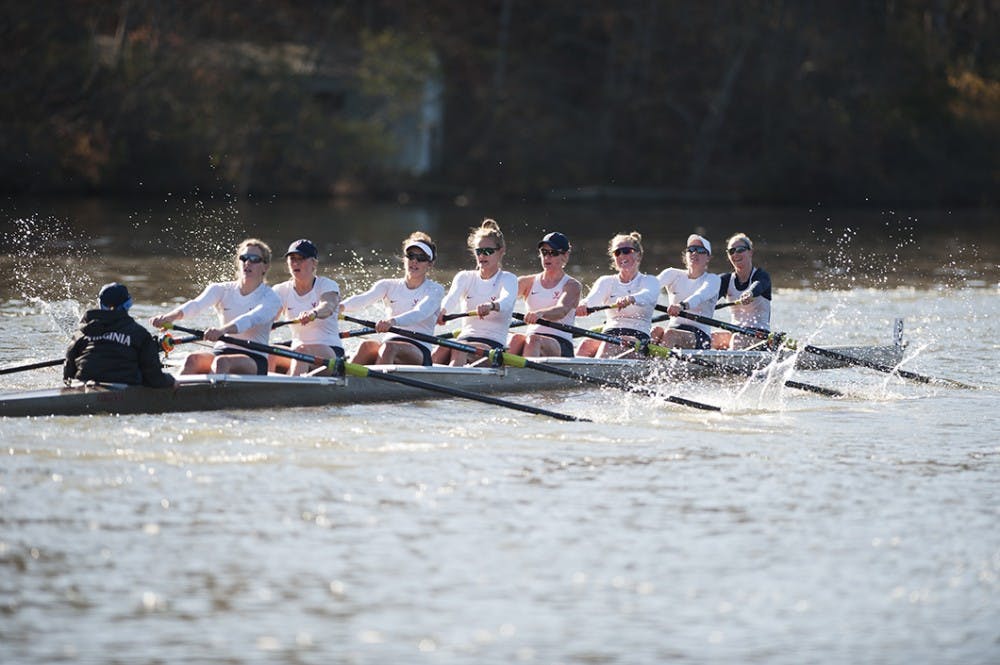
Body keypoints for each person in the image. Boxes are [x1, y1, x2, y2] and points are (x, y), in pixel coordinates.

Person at [149, 238, 282, 375]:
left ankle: (210, 395)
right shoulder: (221, 289)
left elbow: (250, 319)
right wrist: (169, 317)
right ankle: (171, 393)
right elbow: (196, 305)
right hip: (222, 350)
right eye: (244, 258)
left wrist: (222, 330)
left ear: (265, 266)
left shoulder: (271, 298)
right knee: (192, 360)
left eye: (254, 259)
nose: (247, 262)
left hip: (254, 357)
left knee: (221, 362)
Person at [340, 232, 445, 366]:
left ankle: (375, 385)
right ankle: (343, 383)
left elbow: (420, 312)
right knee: (366, 346)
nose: (414, 261)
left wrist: (392, 321)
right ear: (404, 258)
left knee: (389, 348)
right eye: (411, 256)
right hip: (389, 342)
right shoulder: (387, 285)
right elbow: (364, 299)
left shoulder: (435, 290)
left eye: (421, 258)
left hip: (419, 348)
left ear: (430, 264)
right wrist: (338, 307)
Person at [433, 219, 517, 366]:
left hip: (493, 346)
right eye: (479, 251)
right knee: (440, 348)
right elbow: (451, 298)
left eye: (488, 251)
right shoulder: (464, 277)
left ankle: (453, 381)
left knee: (460, 349)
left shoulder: (508, 279)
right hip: (464, 340)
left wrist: (491, 306)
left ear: (501, 251)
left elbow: (507, 300)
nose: (482, 256)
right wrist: (442, 311)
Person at [64, 282, 175, 387]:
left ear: (100, 304)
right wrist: (171, 380)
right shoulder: (139, 334)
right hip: (124, 389)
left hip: (84, 386)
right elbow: (154, 378)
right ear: (128, 305)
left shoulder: (82, 331)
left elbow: (68, 373)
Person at [575, 231, 660, 358]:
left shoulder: (650, 281)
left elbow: (648, 295)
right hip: (609, 334)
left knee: (609, 344)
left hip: (638, 336)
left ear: (638, 255)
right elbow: (591, 300)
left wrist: (631, 298)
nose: (621, 255)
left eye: (626, 251)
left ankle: (592, 371)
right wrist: (583, 305)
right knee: (585, 344)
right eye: (617, 252)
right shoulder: (606, 281)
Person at [271, 239, 343, 375]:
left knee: (301, 351)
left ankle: (289, 390)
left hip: (330, 351)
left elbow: (328, 306)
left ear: (314, 263)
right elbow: (269, 314)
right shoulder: (280, 290)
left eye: (301, 258)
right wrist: (267, 322)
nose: (296, 263)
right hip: (297, 351)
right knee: (269, 352)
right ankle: (264, 390)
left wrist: (313, 313)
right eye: (292, 259)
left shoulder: (327, 285)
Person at [507, 231, 582, 358]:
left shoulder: (572, 285)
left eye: (553, 253)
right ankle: (499, 375)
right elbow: (503, 300)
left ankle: (525, 376)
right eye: (544, 252)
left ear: (565, 256)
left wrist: (540, 313)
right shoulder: (526, 282)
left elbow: (561, 310)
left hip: (560, 344)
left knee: (533, 340)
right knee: (515, 339)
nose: (547, 257)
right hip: (532, 340)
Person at [652, 233, 722, 350]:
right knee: (655, 331)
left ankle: (657, 367)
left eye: (700, 250)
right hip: (674, 328)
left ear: (708, 257)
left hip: (700, 336)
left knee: (670, 334)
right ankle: (642, 364)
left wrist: (681, 306)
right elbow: (650, 288)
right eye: (691, 249)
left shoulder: (713, 279)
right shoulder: (672, 274)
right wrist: (631, 298)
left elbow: (700, 295)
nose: (694, 253)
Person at [712, 232, 773, 349]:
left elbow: (758, 286)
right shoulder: (725, 280)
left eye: (740, 250)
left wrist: (749, 293)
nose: (736, 254)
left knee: (737, 339)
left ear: (750, 252)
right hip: (736, 331)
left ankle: (728, 364)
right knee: (710, 338)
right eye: (732, 251)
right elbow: (710, 297)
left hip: (760, 335)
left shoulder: (762, 276)